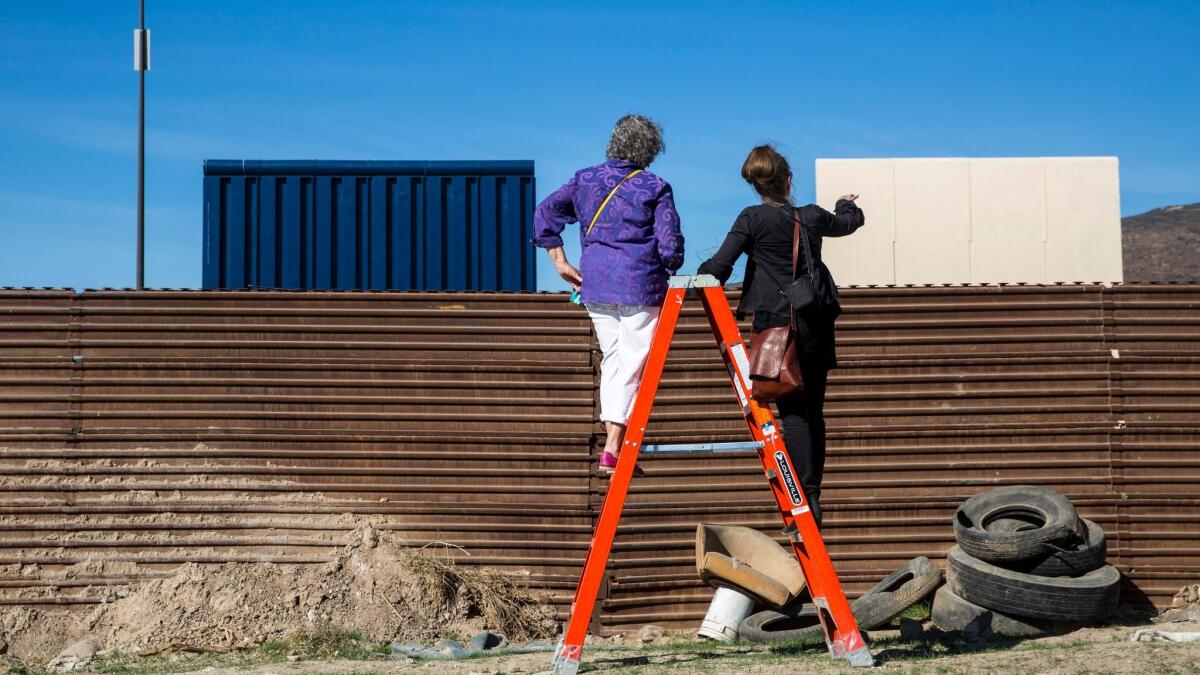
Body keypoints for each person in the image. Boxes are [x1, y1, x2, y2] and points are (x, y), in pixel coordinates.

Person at [697, 144, 862, 524]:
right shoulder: (811, 217)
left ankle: (802, 499)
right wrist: (844, 205)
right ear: (788, 181)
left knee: (793, 414)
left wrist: (693, 277)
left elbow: (719, 268)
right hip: (815, 324)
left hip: (774, 327)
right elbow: (849, 223)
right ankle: (813, 494)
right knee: (813, 413)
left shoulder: (751, 218)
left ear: (758, 185)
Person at [532, 114, 684, 475]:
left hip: (595, 284)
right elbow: (670, 246)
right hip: (640, 285)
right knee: (631, 364)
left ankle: (613, 444)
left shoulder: (585, 179)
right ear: (650, 148)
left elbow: (544, 213)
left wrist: (561, 262)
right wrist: (672, 262)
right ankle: (615, 446)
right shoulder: (655, 186)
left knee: (615, 360)